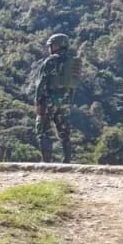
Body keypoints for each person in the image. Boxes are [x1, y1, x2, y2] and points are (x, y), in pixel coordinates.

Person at [35, 33, 76, 163]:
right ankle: (67, 160)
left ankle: (46, 161)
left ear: (58, 45)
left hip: (49, 100)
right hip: (65, 102)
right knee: (64, 132)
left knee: (42, 130)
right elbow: (73, 85)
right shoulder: (72, 62)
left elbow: (41, 83)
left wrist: (38, 101)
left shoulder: (51, 61)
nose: (50, 48)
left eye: (51, 45)